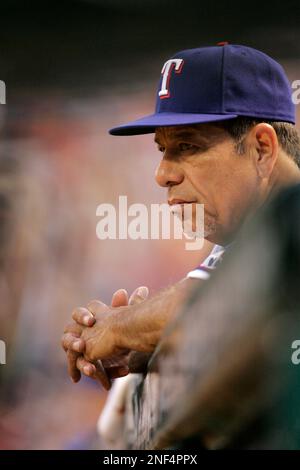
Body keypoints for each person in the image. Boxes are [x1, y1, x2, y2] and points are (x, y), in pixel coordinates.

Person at [61, 43, 300, 390]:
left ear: (261, 148)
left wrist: (120, 326)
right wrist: (140, 343)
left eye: (187, 146)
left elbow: (213, 303)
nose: (162, 175)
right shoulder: (242, 242)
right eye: (163, 149)